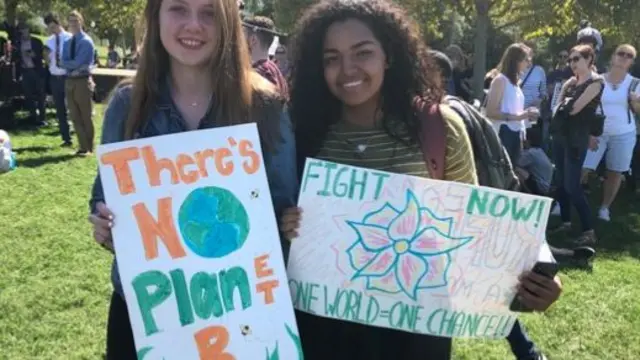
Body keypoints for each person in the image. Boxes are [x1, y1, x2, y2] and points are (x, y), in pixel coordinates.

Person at [281, 1, 561, 359]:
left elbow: (475, 227)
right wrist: (285, 224)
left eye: (362, 52)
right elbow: (273, 220)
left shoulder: (438, 126)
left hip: (415, 330)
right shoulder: (300, 129)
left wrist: (537, 276)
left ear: (389, 56)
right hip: (323, 327)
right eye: (331, 58)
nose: (347, 69)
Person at [87, 0, 297, 359]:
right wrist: (105, 224)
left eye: (209, 13)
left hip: (240, 312)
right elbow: (104, 198)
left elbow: (282, 212)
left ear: (229, 22)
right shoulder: (127, 103)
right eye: (179, 9)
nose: (193, 25)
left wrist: (292, 223)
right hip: (147, 312)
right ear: (156, 16)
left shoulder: (263, 105)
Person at [549, 45, 604, 245]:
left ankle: (589, 230)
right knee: (561, 183)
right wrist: (564, 107)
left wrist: (564, 107)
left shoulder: (596, 82)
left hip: (576, 139)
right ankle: (565, 222)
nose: (572, 63)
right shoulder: (570, 82)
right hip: (561, 137)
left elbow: (573, 109)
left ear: (590, 59)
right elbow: (557, 107)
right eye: (570, 60)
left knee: (573, 186)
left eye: (577, 59)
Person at [581, 44, 640, 221]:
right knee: (582, 168)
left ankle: (604, 208)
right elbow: (586, 107)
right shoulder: (598, 80)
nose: (623, 57)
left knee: (615, 171)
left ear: (632, 62)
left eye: (628, 55)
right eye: (620, 53)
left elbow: (637, 111)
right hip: (597, 133)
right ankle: (565, 203)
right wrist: (588, 133)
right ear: (612, 57)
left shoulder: (635, 84)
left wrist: (635, 102)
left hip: (624, 133)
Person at [485, 43, 539, 165]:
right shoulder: (500, 80)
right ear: (516, 61)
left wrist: (526, 114)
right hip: (503, 133)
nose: (528, 64)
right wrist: (519, 117)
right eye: (526, 60)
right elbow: (491, 111)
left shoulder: (515, 84)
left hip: (516, 134)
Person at [60, 10, 96, 156]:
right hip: (69, 81)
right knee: (74, 115)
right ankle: (82, 147)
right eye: (70, 21)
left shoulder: (86, 41)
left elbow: (79, 62)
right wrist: (71, 65)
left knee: (85, 115)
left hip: (82, 81)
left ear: (81, 22)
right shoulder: (68, 42)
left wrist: (70, 64)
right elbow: (63, 62)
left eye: (75, 21)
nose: (73, 24)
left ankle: (89, 147)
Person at [44, 13, 73, 147]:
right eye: (50, 28)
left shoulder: (69, 38)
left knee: (72, 107)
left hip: (67, 77)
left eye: (53, 27)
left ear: (58, 24)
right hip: (54, 77)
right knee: (60, 109)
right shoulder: (49, 41)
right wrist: (47, 59)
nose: (52, 30)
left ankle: (79, 135)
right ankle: (66, 138)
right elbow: (47, 58)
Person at [242, 16, 288, 98]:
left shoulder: (258, 75)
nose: (238, 41)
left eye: (242, 36)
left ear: (253, 40)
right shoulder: (275, 69)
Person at [14, 22, 46, 126]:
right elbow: (16, 57)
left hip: (36, 70)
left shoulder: (37, 42)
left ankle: (42, 118)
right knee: (28, 95)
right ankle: (33, 117)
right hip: (25, 71)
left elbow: (43, 57)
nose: (23, 32)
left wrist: (34, 55)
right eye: (21, 30)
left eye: (25, 30)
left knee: (40, 95)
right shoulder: (18, 43)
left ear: (28, 30)